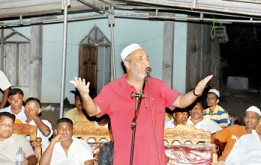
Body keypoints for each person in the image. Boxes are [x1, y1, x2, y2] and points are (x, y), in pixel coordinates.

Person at [70, 43, 213, 165]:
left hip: (154, 160)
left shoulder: (157, 86)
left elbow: (181, 101)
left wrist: (196, 92)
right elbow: (92, 111)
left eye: (147, 58)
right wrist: (84, 96)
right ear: (127, 64)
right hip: (125, 160)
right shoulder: (112, 89)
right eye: (140, 58)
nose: (146, 62)